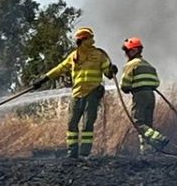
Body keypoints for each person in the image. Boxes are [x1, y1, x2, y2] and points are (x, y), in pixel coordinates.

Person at [32, 26, 117, 160]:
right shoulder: (74, 56)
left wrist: (111, 71)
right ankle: (72, 152)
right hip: (77, 93)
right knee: (72, 123)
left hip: (93, 91)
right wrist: (44, 79)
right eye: (78, 40)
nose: (79, 42)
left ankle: (84, 153)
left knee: (88, 123)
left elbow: (107, 72)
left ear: (88, 40)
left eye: (82, 39)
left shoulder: (99, 55)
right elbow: (60, 68)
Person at [119, 38, 170, 152]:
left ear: (134, 51)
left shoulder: (131, 65)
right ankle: (147, 150)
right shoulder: (149, 65)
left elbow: (125, 84)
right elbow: (156, 82)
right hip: (151, 95)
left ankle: (159, 138)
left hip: (140, 95)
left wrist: (127, 89)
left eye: (127, 51)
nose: (126, 54)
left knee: (138, 123)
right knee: (147, 124)